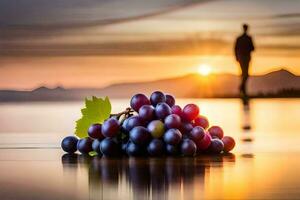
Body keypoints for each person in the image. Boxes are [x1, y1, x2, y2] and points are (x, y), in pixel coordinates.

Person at [234, 24, 255, 99]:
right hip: (243, 57)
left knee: (245, 74)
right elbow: (236, 48)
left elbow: (252, 48)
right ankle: (243, 89)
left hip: (244, 57)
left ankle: (243, 88)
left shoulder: (243, 38)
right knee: (245, 74)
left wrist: (237, 56)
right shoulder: (245, 38)